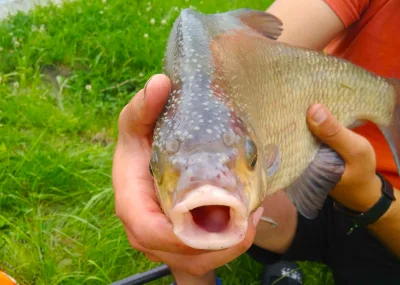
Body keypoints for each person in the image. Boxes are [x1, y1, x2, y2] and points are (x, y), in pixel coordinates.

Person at [112, 0, 400, 284]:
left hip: (384, 214)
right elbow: (232, 49)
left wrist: (373, 200)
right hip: (323, 184)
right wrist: (134, 141)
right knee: (190, 202)